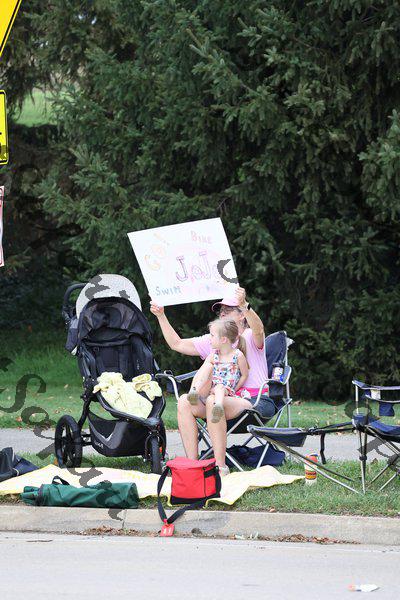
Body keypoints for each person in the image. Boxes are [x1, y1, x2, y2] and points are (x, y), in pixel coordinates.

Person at [150, 287, 275, 476]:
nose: (222, 313)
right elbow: (177, 344)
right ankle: (193, 466)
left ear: (241, 315)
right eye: (220, 310)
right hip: (218, 401)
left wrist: (244, 305)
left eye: (228, 309)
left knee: (212, 400)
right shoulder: (213, 340)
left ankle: (220, 466)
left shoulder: (249, 336)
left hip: (254, 402)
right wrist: (161, 316)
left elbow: (259, 329)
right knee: (184, 401)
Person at [187, 319, 249, 424]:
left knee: (220, 388)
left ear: (223, 339)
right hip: (208, 389)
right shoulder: (213, 356)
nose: (209, 339)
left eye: (212, 335)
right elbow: (202, 373)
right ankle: (195, 391)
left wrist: (234, 389)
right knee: (207, 367)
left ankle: (218, 407)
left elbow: (244, 375)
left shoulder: (238, 355)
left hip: (225, 390)